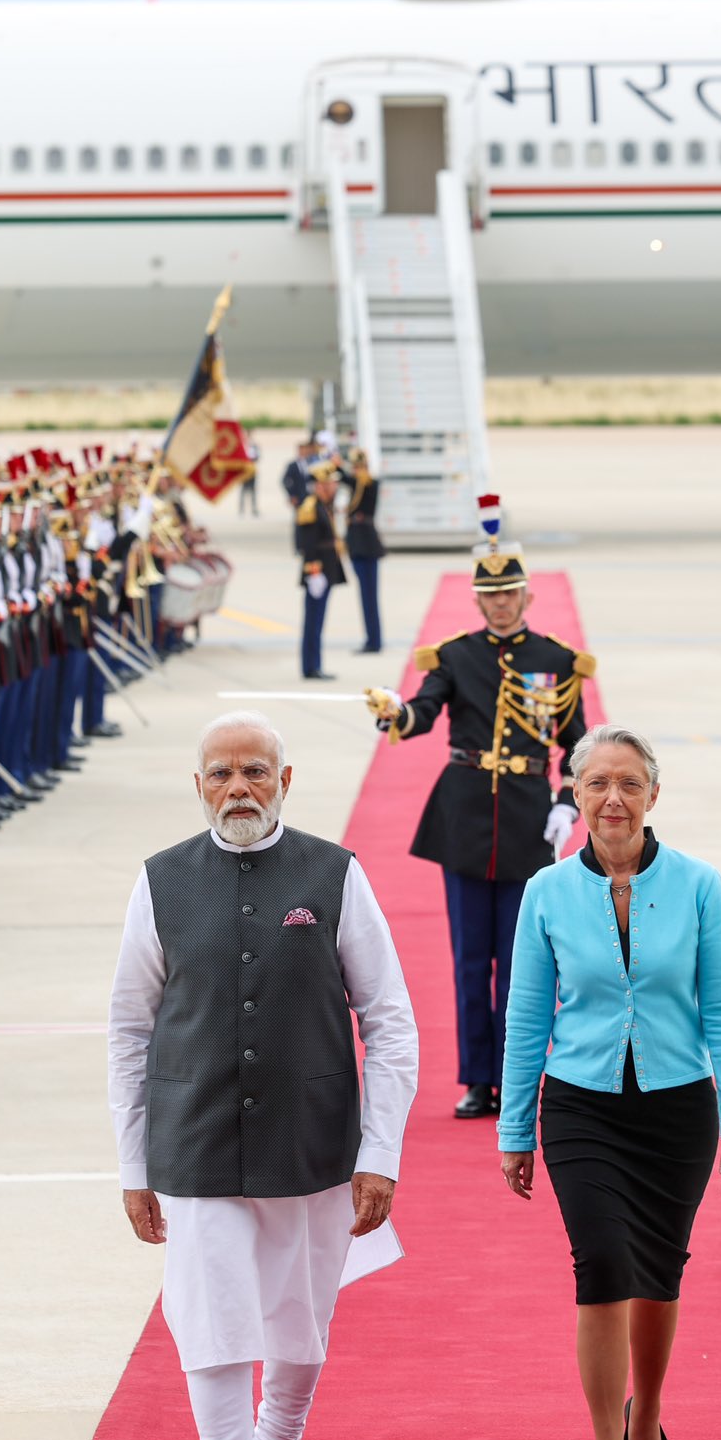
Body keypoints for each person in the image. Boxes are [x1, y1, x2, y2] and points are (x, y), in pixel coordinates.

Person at [108, 711, 418, 1440]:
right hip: (195, 1141)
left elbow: (389, 1019)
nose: (236, 788)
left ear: (286, 782)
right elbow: (129, 1030)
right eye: (219, 774)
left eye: (254, 772)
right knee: (210, 1321)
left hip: (311, 1142)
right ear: (197, 785)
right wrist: (134, 1166)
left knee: (298, 1321)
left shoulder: (334, 874)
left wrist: (380, 1151)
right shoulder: (160, 882)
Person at [498, 724, 721, 1440]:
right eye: (598, 784)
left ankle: (649, 1417)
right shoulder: (546, 892)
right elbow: (528, 1015)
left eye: (630, 784)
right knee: (603, 1261)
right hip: (581, 1103)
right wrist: (515, 1126)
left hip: (679, 1105)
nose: (614, 799)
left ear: (653, 794)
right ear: (575, 793)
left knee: (660, 1269)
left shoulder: (698, 885)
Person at [367, 498, 592, 1117]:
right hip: (464, 818)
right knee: (470, 958)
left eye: (511, 594)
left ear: (526, 597)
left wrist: (566, 804)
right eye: (491, 596)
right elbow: (422, 713)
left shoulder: (555, 662)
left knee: (525, 962)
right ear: (477, 600)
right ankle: (477, 1079)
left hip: (526, 819)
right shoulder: (456, 656)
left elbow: (578, 746)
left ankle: (520, 1078)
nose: (501, 604)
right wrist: (395, 710)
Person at [295, 460, 348, 681]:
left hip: (326, 569)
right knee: (313, 620)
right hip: (318, 571)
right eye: (329, 484)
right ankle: (311, 666)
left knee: (317, 620)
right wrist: (315, 573)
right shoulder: (311, 508)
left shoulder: (323, 506)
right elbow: (307, 545)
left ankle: (313, 664)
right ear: (320, 486)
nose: (333, 488)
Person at [338, 447, 384, 654]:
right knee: (366, 596)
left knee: (369, 596)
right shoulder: (358, 483)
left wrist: (343, 467)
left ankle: (374, 640)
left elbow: (355, 482)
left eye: (358, 467)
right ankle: (372, 638)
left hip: (366, 543)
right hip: (358, 544)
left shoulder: (369, 483)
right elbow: (346, 479)